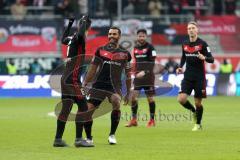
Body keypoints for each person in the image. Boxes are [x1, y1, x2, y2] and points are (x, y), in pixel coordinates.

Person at [83, 26, 132, 145]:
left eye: (114, 34)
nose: (111, 36)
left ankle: (112, 135)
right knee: (87, 112)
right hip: (98, 85)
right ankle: (89, 138)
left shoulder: (125, 54)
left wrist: (128, 92)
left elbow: (128, 74)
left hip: (114, 86)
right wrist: (85, 83)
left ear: (119, 36)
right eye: (110, 34)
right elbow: (92, 69)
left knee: (116, 101)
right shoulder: (100, 50)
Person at [53, 15, 93, 147]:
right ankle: (79, 139)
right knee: (83, 107)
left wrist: (70, 24)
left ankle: (58, 139)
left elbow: (63, 39)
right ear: (88, 27)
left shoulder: (71, 39)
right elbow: (81, 33)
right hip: (73, 79)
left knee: (65, 109)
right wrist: (83, 21)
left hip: (65, 78)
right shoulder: (79, 38)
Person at [176, 21, 214, 131]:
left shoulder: (203, 44)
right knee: (181, 99)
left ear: (197, 30)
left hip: (199, 77)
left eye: (193, 28)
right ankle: (193, 111)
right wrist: (180, 66)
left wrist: (205, 58)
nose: (191, 30)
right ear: (187, 31)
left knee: (198, 103)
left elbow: (212, 59)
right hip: (188, 76)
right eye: (189, 28)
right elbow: (183, 56)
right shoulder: (184, 43)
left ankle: (198, 124)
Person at [125, 29, 157, 127]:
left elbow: (152, 62)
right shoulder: (135, 48)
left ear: (146, 37)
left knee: (150, 99)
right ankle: (134, 120)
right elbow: (135, 61)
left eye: (143, 36)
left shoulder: (151, 48)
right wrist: (132, 71)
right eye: (140, 36)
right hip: (138, 77)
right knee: (133, 98)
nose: (141, 38)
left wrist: (145, 72)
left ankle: (152, 120)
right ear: (137, 37)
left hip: (148, 77)